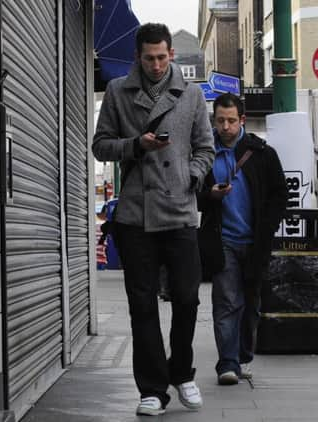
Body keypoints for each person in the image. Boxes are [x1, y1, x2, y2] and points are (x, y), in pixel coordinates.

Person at [92, 23, 214, 416]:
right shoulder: (117, 92)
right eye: (149, 58)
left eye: (163, 57)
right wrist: (135, 146)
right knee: (141, 305)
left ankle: (182, 373)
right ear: (138, 57)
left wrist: (190, 177)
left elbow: (205, 149)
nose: (157, 65)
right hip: (135, 215)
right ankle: (152, 389)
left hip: (179, 211)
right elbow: (100, 146)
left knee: (187, 298)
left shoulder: (191, 94)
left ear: (171, 55)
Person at [197, 93, 288, 385]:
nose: (225, 126)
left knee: (251, 303)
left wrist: (269, 228)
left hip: (255, 241)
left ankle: (241, 356)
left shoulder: (262, 153)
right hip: (221, 240)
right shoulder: (204, 153)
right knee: (226, 301)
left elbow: (279, 195)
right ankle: (227, 363)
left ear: (242, 120)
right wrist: (209, 196)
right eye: (220, 120)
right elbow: (190, 194)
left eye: (231, 120)